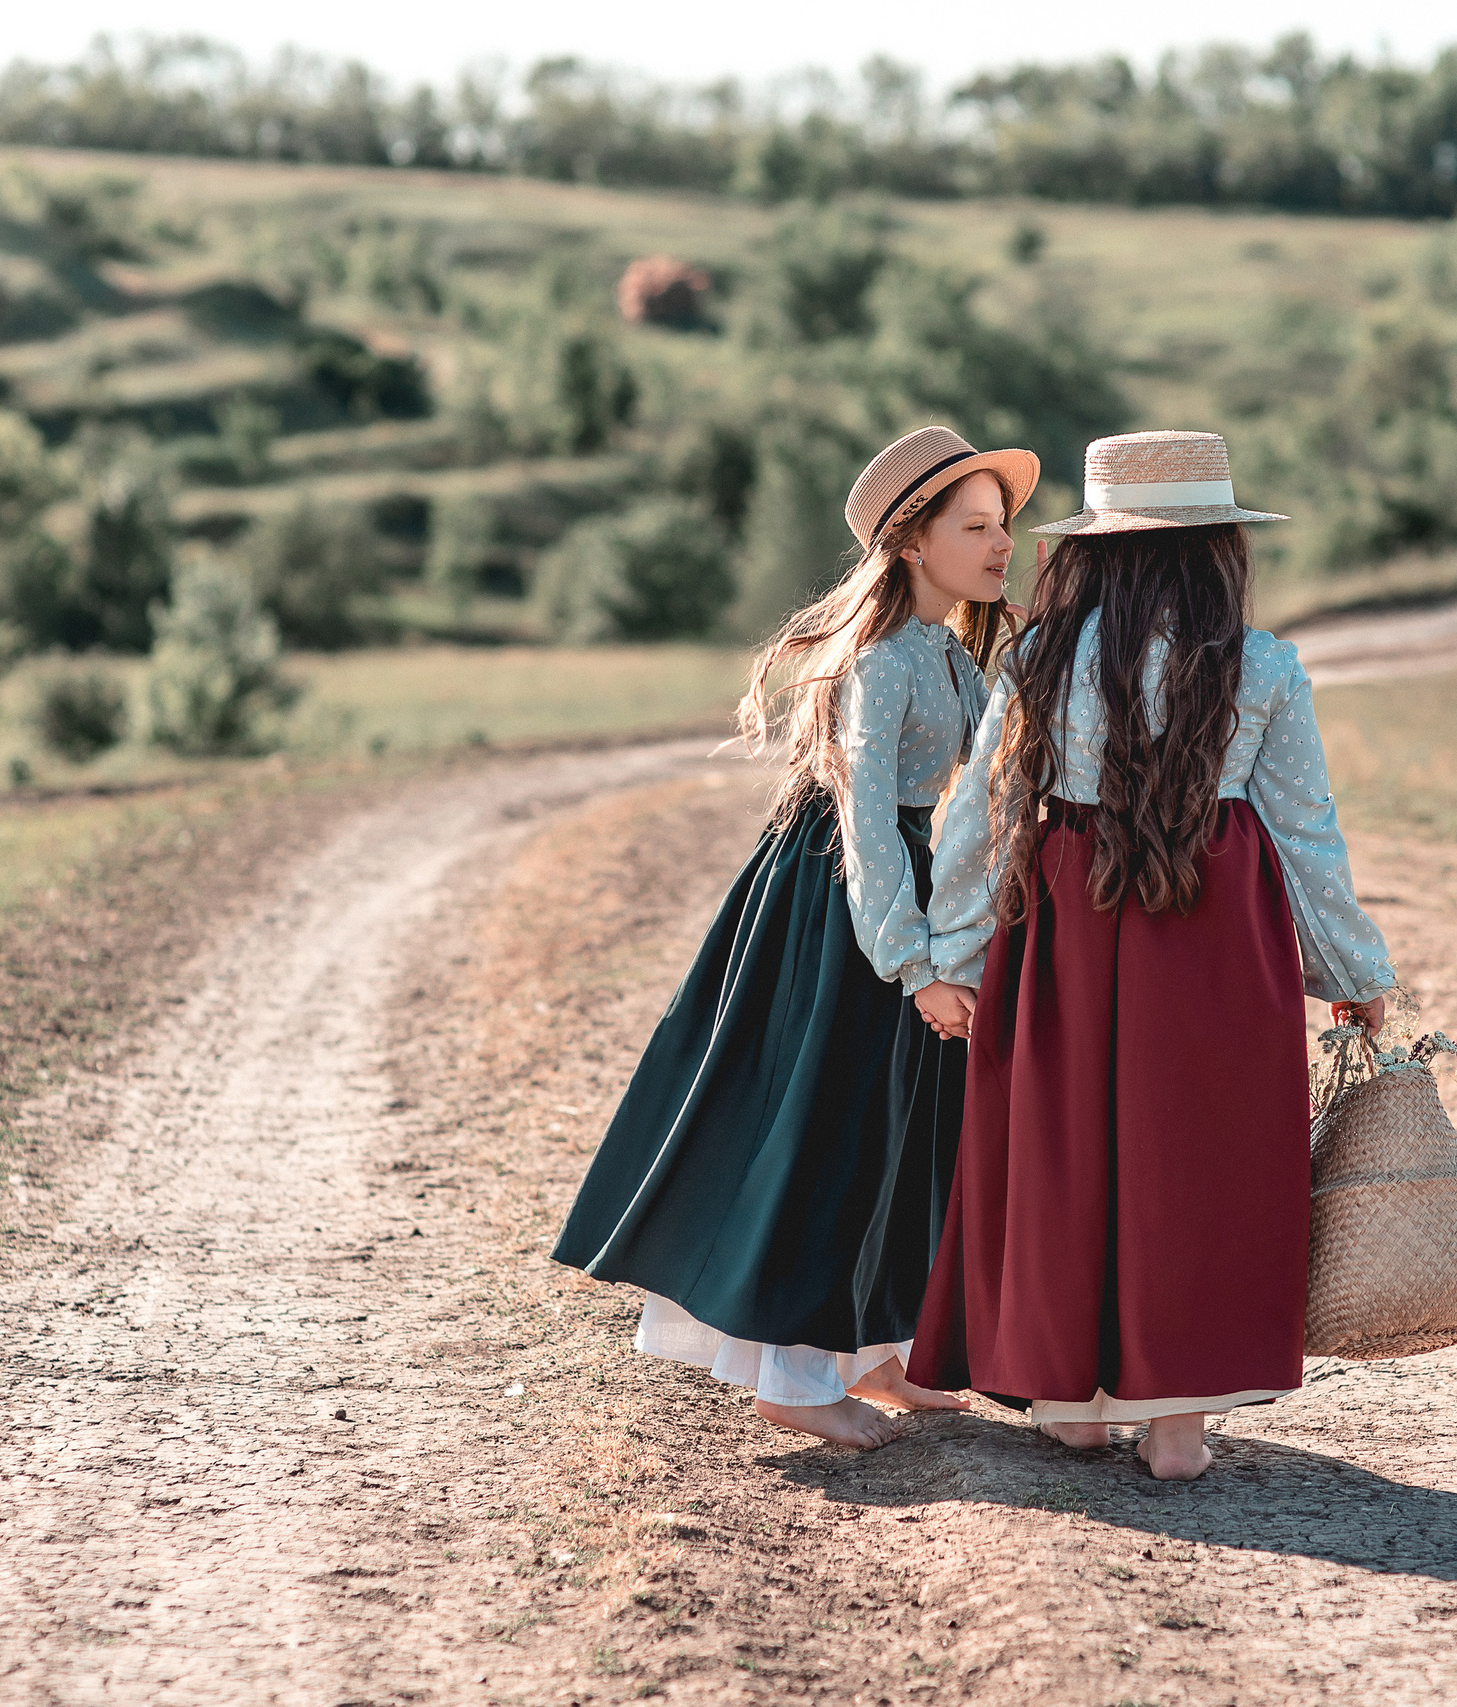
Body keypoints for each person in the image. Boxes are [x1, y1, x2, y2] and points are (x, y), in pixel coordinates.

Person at [904, 430, 1396, 1481]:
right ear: (1219, 547)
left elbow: (978, 823)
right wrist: (1355, 973)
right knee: (1203, 1159)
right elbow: (1306, 833)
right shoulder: (1259, 666)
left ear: (1095, 550)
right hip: (1214, 929)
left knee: (1062, 1148)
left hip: (1065, 922)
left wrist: (947, 955)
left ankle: (1072, 1401)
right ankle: (1177, 1424)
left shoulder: (1037, 656)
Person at [553, 426, 1039, 1450]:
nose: (1003, 545)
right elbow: (862, 820)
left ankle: (874, 1353)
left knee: (905, 1124)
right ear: (912, 541)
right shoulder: (879, 662)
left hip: (892, 894)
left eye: (1005, 526)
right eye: (977, 527)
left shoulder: (947, 651)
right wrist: (912, 966)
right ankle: (792, 1374)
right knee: (834, 1123)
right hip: (841, 909)